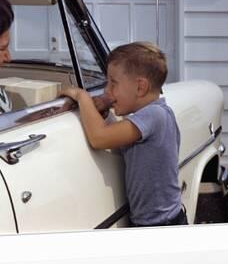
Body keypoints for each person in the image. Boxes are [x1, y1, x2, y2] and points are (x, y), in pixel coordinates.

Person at [60, 41, 186, 227]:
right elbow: (115, 131)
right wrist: (106, 103)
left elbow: (99, 138)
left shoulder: (154, 116)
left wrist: (82, 97)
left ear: (140, 88)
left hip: (161, 227)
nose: (106, 90)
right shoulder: (151, 114)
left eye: (113, 83)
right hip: (155, 222)